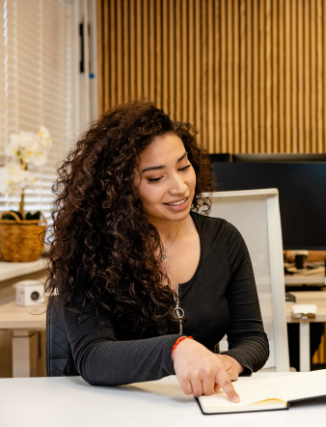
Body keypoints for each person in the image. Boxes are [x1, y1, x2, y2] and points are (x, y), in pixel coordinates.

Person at [46, 101, 269, 401]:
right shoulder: (88, 249)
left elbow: (253, 338)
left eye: (183, 166)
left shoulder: (224, 239)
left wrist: (229, 362)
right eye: (155, 178)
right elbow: (93, 356)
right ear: (119, 187)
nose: (179, 187)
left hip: (196, 406)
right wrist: (176, 349)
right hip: (112, 406)